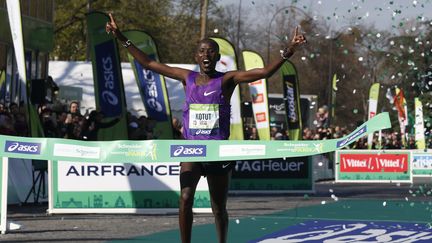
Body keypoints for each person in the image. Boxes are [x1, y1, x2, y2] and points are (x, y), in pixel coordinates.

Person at [106, 13, 306, 243]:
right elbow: (149, 64)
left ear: (218, 57)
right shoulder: (186, 77)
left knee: (218, 208)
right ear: (196, 57)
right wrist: (121, 36)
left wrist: (289, 50)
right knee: (185, 198)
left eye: (210, 51)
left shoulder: (227, 79)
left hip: (218, 152)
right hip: (192, 150)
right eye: (202, 51)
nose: (206, 54)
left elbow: (263, 73)